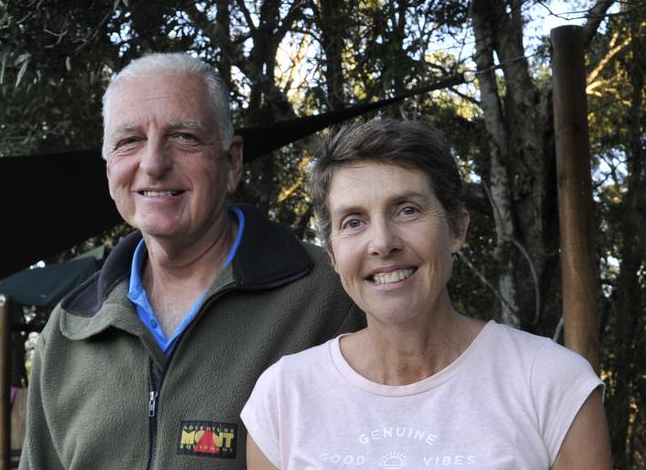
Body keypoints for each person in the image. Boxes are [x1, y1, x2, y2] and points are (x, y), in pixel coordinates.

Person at [20, 53, 363, 470]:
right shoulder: (70, 329)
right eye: (129, 141)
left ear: (232, 160)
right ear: (109, 168)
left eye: (183, 137)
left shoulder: (329, 297)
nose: (153, 164)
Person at [241, 118, 613, 469]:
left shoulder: (552, 384)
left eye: (407, 210)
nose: (382, 243)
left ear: (457, 229)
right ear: (334, 255)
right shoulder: (283, 397)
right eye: (353, 222)